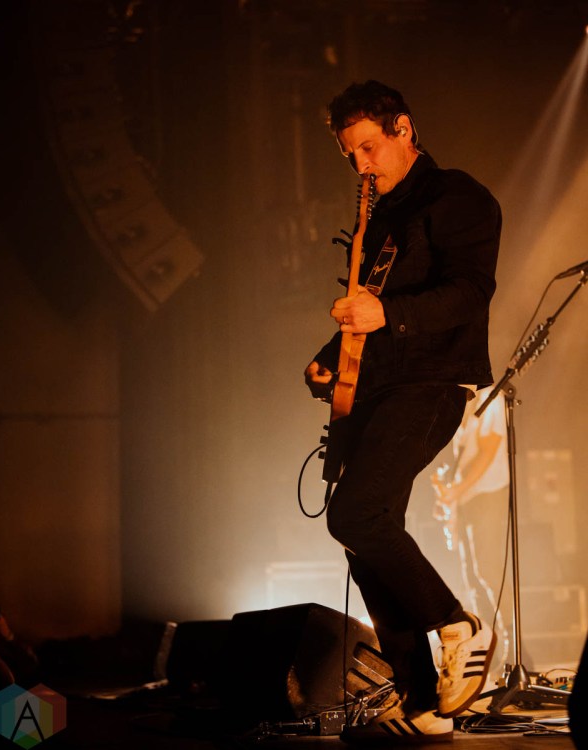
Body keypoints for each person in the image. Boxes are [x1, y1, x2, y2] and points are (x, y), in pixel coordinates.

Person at [304, 80, 502, 744]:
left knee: (356, 515)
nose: (361, 166)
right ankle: (422, 703)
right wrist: (329, 358)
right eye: (350, 156)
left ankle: (457, 624)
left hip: (432, 384)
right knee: (365, 538)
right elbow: (372, 311)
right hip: (378, 389)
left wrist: (385, 312)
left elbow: (469, 292)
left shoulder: (458, 198)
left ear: (404, 129)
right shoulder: (378, 219)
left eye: (369, 147)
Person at [431, 390, 511, 681]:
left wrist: (455, 491)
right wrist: (449, 495)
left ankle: (513, 651)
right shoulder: (460, 402)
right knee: (473, 581)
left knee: (489, 573)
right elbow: (465, 460)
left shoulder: (491, 398)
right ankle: (489, 653)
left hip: (488, 496)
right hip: (468, 500)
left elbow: (489, 450)